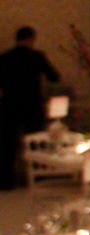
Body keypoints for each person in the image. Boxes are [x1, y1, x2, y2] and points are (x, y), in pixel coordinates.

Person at [0, 27, 58, 191]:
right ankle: (38, 176)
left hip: (9, 105)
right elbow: (54, 77)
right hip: (32, 105)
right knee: (35, 142)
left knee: (7, 144)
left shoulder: (5, 57)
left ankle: (6, 181)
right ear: (31, 39)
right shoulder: (37, 57)